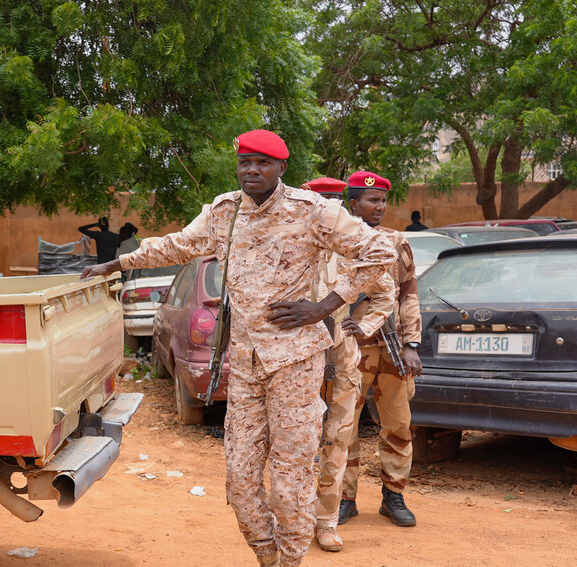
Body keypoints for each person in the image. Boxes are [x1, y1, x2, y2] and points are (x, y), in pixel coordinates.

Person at [81, 130, 397, 567]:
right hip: (244, 364)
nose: (252, 170)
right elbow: (178, 244)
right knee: (240, 483)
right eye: (245, 162)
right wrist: (116, 262)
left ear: (281, 168)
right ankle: (269, 558)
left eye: (263, 163)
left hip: (295, 362)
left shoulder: (312, 211)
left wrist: (323, 306)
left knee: (290, 483)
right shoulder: (224, 212)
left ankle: (289, 561)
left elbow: (380, 250)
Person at [303, 177, 396, 553]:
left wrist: (363, 327)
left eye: (332, 204)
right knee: (293, 442)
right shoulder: (294, 243)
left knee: (338, 438)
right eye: (321, 202)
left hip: (342, 356)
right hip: (298, 356)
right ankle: (292, 517)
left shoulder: (355, 245)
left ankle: (325, 521)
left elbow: (385, 294)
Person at [339, 171, 424, 530]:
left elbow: (408, 295)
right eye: (372, 201)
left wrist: (412, 344)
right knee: (343, 428)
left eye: (383, 200)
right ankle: (344, 499)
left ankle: (394, 496)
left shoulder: (396, 241)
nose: (380, 207)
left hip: (391, 351)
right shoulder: (335, 241)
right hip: (349, 351)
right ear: (353, 204)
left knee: (398, 425)